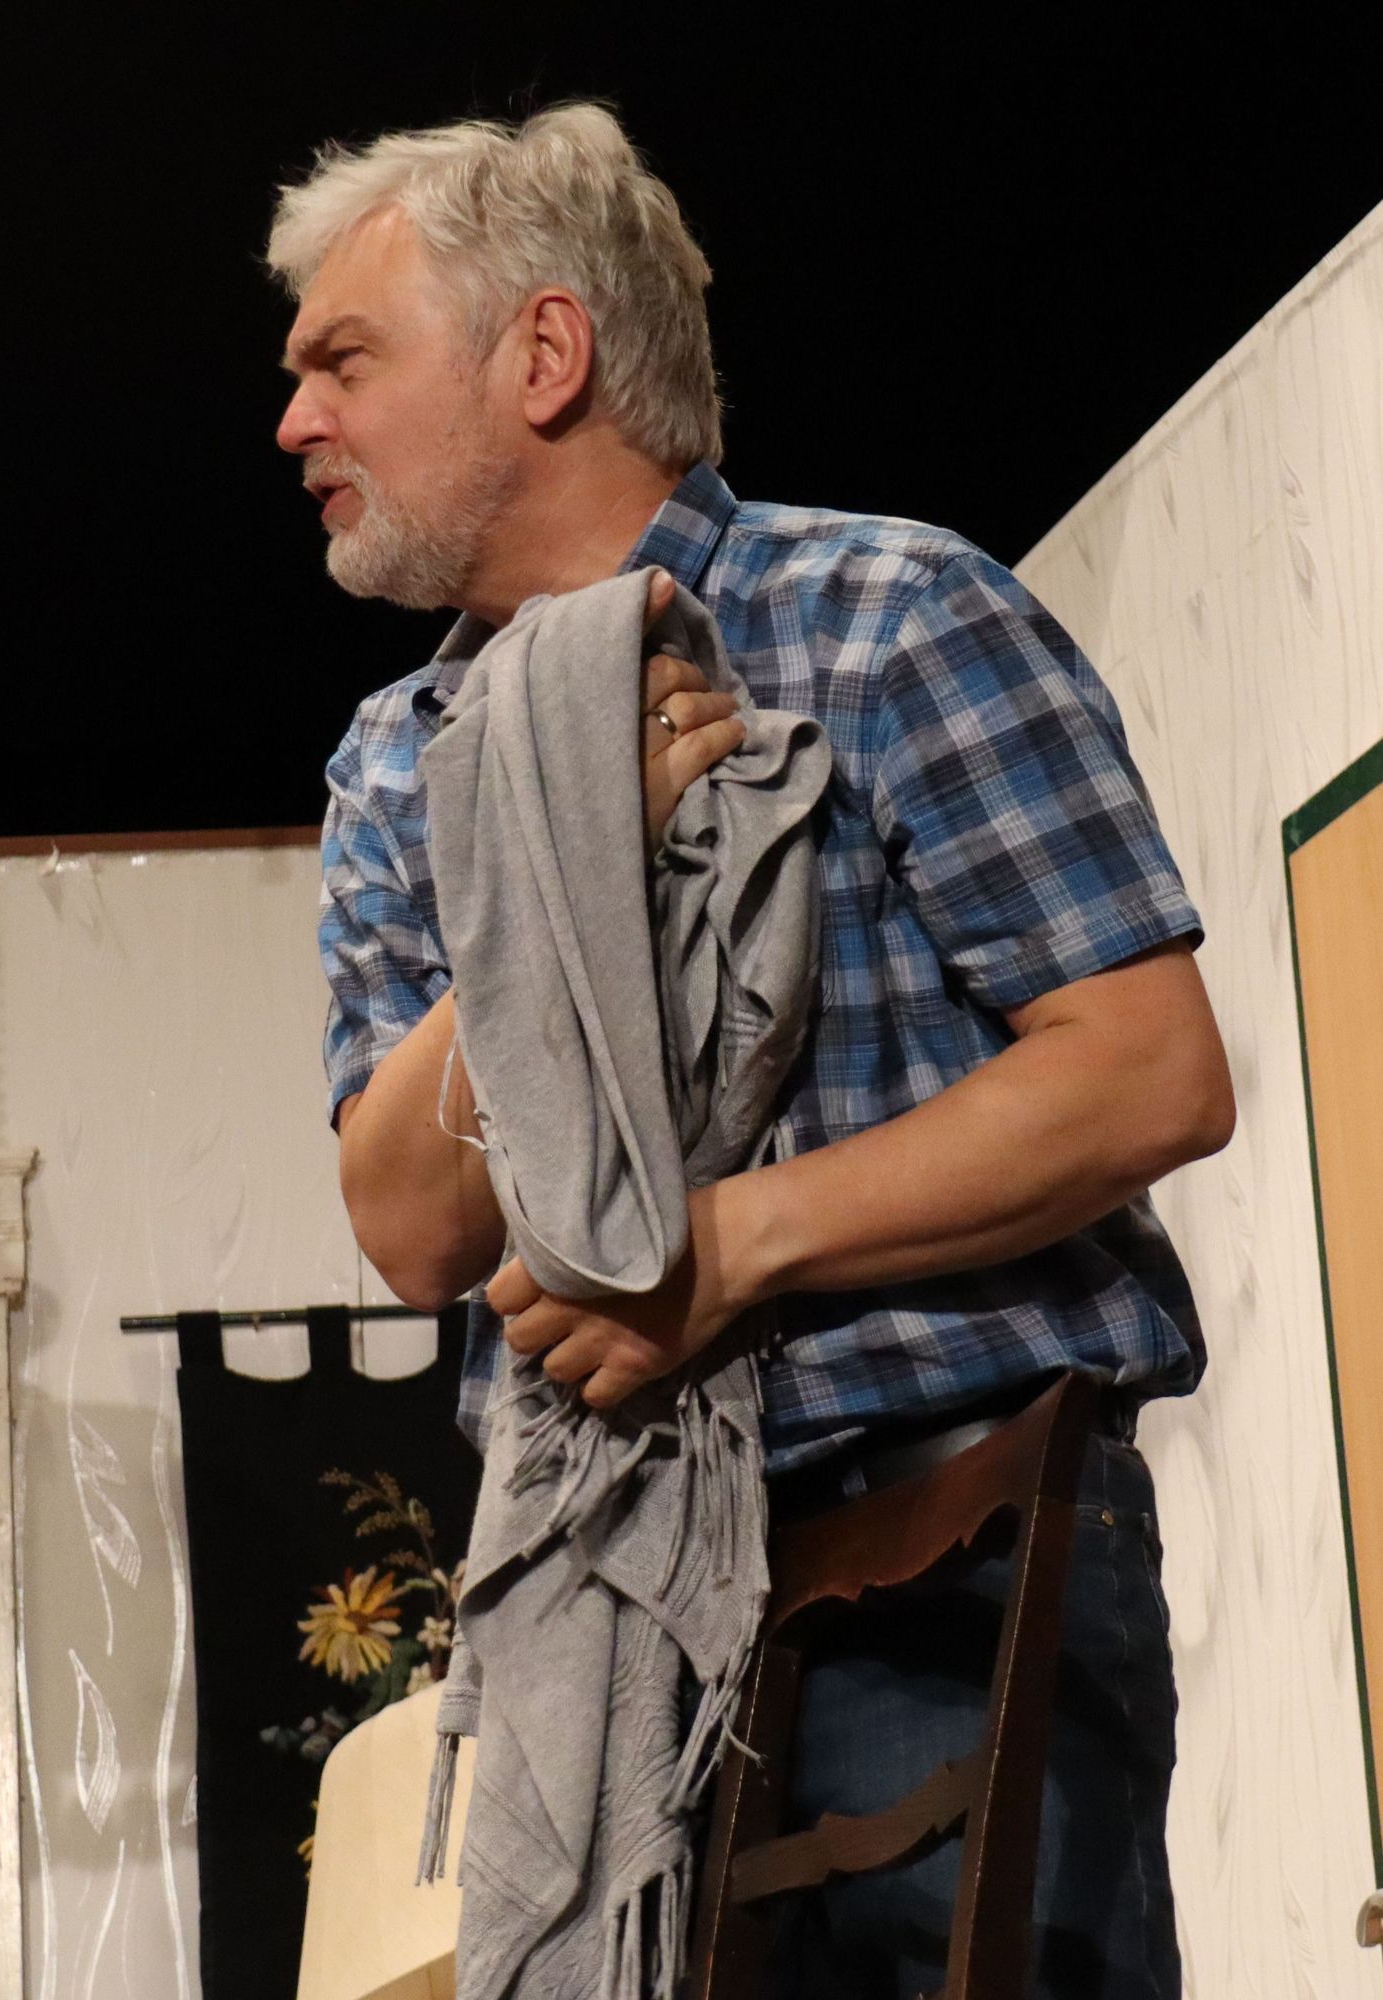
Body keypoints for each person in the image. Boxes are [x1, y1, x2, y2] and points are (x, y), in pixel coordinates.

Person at [271, 101, 1234, 2000]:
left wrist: (727, 1250)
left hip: (949, 1563)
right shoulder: (398, 763)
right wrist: (566, 857)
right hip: (604, 1613)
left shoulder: (891, 617)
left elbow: (1144, 1072)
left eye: (343, 362)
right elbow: (409, 1228)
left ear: (544, 354)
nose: (296, 423)